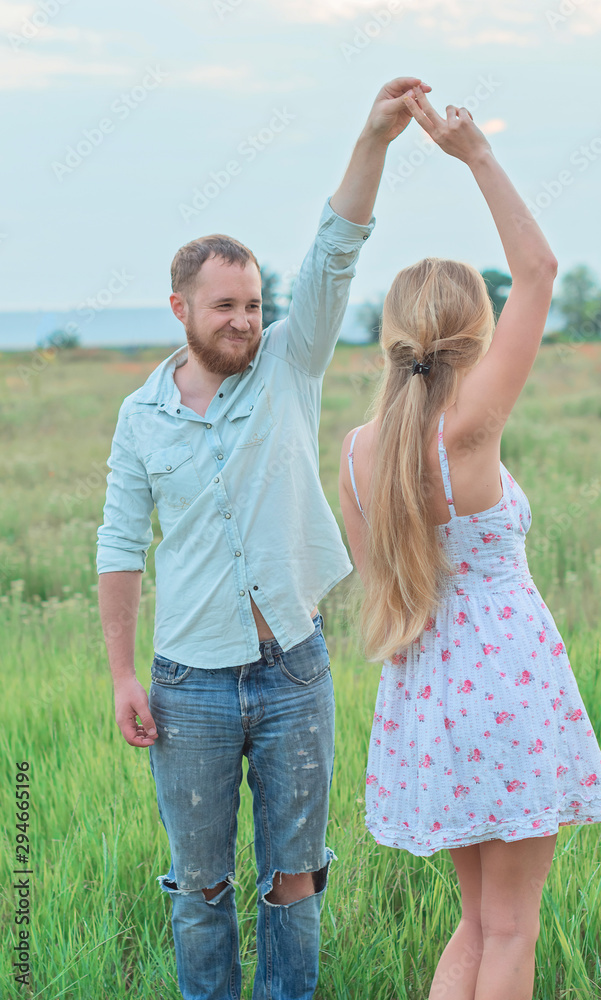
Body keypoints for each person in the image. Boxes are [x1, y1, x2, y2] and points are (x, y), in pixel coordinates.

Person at [95, 76, 432, 1000]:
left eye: (251, 303)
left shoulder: (290, 362)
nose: (244, 321)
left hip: (292, 668)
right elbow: (120, 545)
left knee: (294, 882)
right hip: (186, 684)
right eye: (224, 308)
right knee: (200, 889)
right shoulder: (141, 417)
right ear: (180, 311)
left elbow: (334, 250)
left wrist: (373, 136)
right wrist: (124, 673)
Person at [338, 88, 601, 1000]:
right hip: (504, 681)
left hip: (425, 689)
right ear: (473, 331)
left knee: (476, 921)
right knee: (512, 933)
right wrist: (476, 154)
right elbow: (536, 270)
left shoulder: (358, 451)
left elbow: (377, 576)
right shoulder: (468, 425)